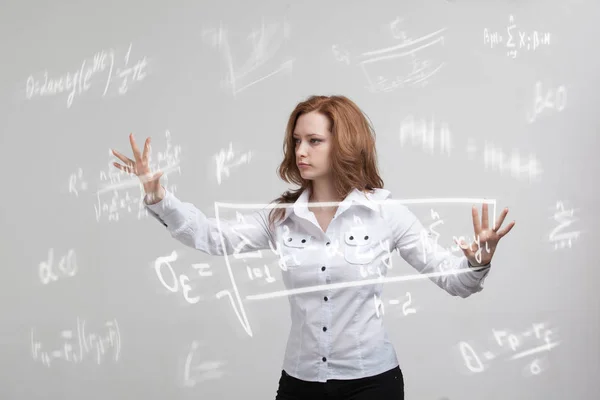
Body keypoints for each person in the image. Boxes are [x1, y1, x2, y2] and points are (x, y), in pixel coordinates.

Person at [111, 95, 515, 400]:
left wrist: (479, 259)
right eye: (297, 140)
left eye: (314, 140)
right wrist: (158, 196)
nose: (300, 151)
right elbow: (212, 237)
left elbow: (456, 281)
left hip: (371, 384)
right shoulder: (281, 218)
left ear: (344, 144)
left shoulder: (385, 213)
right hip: (300, 383)